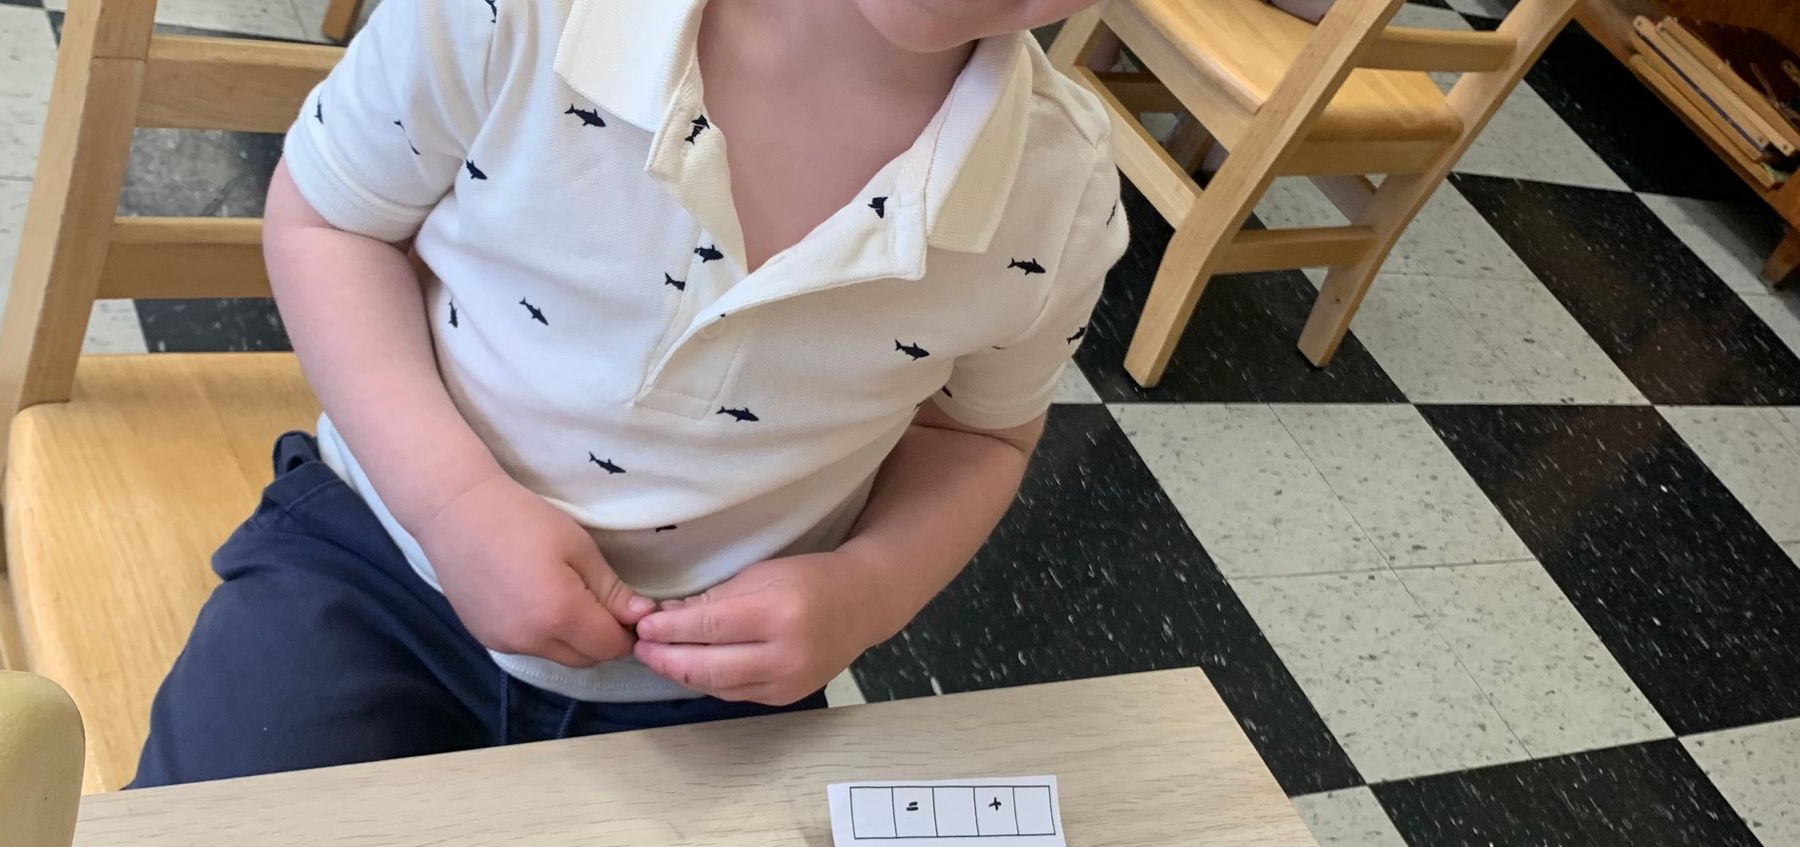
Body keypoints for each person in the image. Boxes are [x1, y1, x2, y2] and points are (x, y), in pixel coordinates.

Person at [130, 0, 1128, 785]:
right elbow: (329, 226)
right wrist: (454, 503)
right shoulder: (516, 13)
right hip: (380, 561)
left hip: (712, 681)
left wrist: (868, 591)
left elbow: (978, 438)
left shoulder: (1062, 192)